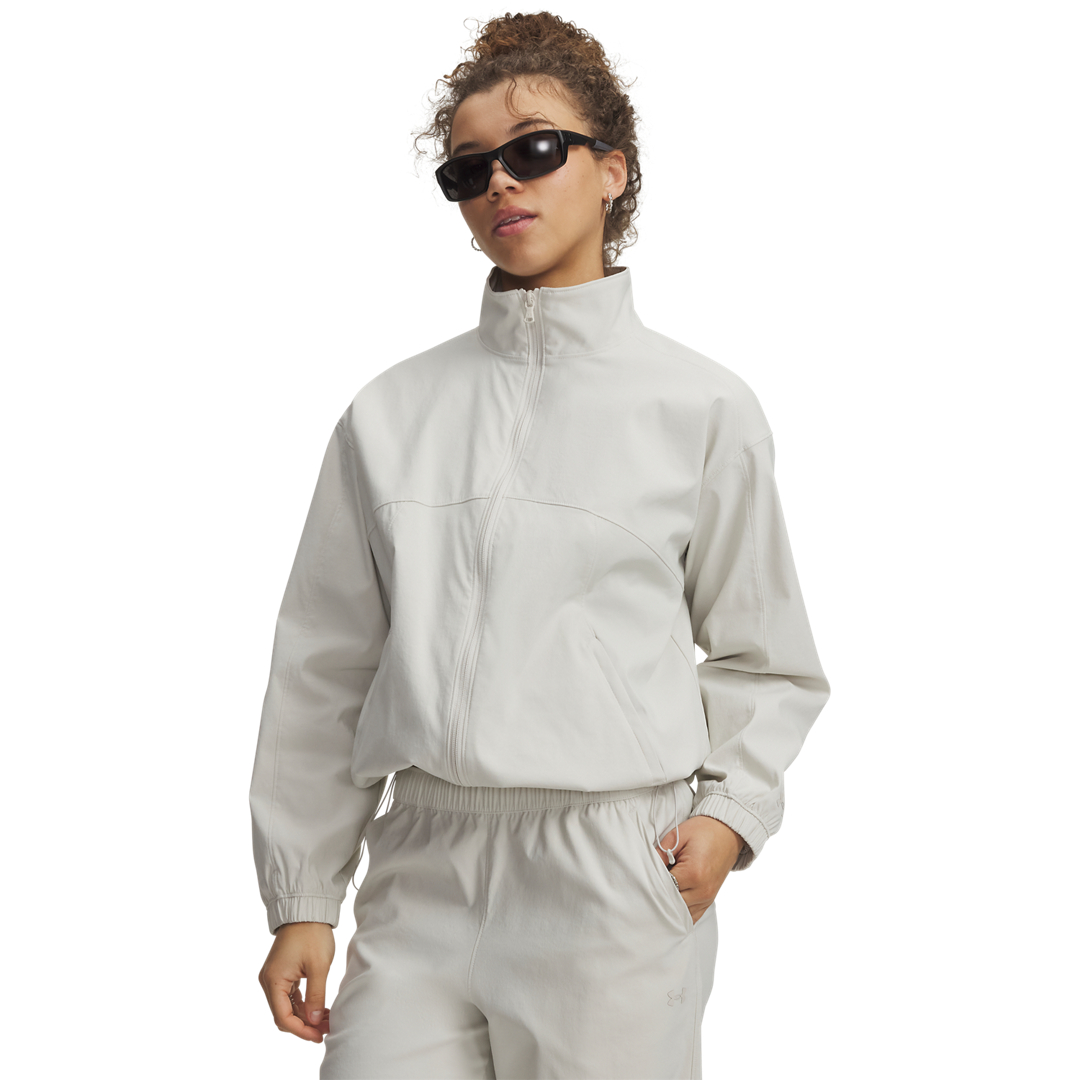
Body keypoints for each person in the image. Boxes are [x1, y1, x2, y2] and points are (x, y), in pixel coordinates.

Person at [249, 11, 830, 1079]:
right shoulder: (390, 414)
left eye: (536, 150)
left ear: (613, 169)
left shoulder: (700, 408)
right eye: (469, 169)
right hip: (421, 867)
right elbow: (325, 667)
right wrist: (304, 897)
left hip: (612, 876)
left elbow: (768, 656)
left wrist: (729, 815)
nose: (501, 185)